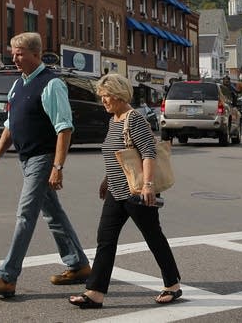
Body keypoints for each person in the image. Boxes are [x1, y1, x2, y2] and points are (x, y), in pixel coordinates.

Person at [0, 32, 90, 298]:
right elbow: (9, 128)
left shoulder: (51, 85)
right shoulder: (18, 85)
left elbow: (64, 129)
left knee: (25, 215)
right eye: (13, 52)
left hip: (43, 158)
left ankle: (7, 277)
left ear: (36, 54)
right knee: (53, 213)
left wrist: (57, 167)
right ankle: (79, 264)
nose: (15, 58)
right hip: (25, 158)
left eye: (20, 53)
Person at [69, 73, 181, 309]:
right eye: (101, 97)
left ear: (119, 95)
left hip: (137, 192)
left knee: (153, 237)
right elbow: (119, 157)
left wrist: (148, 185)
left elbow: (148, 153)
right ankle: (95, 292)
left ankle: (173, 285)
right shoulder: (114, 120)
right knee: (105, 239)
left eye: (106, 96)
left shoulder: (135, 119)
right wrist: (106, 179)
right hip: (116, 191)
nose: (103, 101)